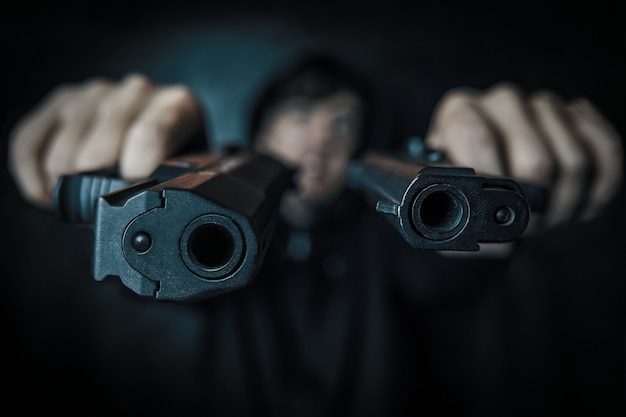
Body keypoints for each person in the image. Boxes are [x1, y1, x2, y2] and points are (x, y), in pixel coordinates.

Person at [6, 49, 624, 416]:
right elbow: (144, 277)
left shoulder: (394, 235)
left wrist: (517, 195)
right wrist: (149, 191)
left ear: (361, 141)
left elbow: (463, 264)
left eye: (341, 123)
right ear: (263, 131)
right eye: (298, 115)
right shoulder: (213, 214)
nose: (317, 140)